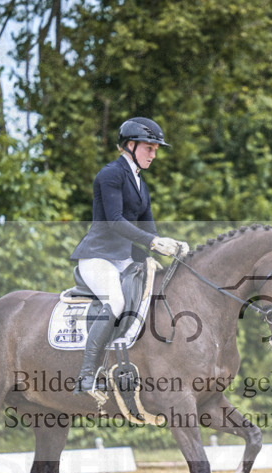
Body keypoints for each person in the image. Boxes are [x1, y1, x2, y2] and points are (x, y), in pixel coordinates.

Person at [70, 117, 189, 394]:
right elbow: (114, 220)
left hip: (124, 260)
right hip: (98, 256)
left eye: (156, 149)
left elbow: (148, 227)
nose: (154, 153)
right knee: (117, 302)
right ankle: (86, 376)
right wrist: (154, 242)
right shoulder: (110, 174)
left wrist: (169, 247)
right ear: (131, 145)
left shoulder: (140, 183)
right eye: (149, 147)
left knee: (152, 298)